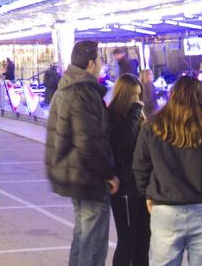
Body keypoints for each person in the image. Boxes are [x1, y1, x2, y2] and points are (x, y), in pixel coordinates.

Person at [133, 75, 202, 266]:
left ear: (172, 95)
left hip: (165, 208)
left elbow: (140, 166)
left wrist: (148, 193)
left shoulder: (152, 127)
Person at [45, 40, 120, 266]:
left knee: (82, 236)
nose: (101, 65)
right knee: (93, 243)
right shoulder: (83, 92)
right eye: (99, 60)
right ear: (90, 64)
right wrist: (109, 173)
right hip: (88, 177)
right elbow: (88, 141)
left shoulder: (67, 87)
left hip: (74, 172)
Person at [108, 74, 150, 266]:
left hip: (141, 187)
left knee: (143, 241)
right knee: (127, 241)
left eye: (139, 95)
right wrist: (136, 110)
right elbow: (124, 142)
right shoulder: (113, 116)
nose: (138, 99)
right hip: (124, 188)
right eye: (134, 95)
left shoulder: (137, 116)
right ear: (125, 95)